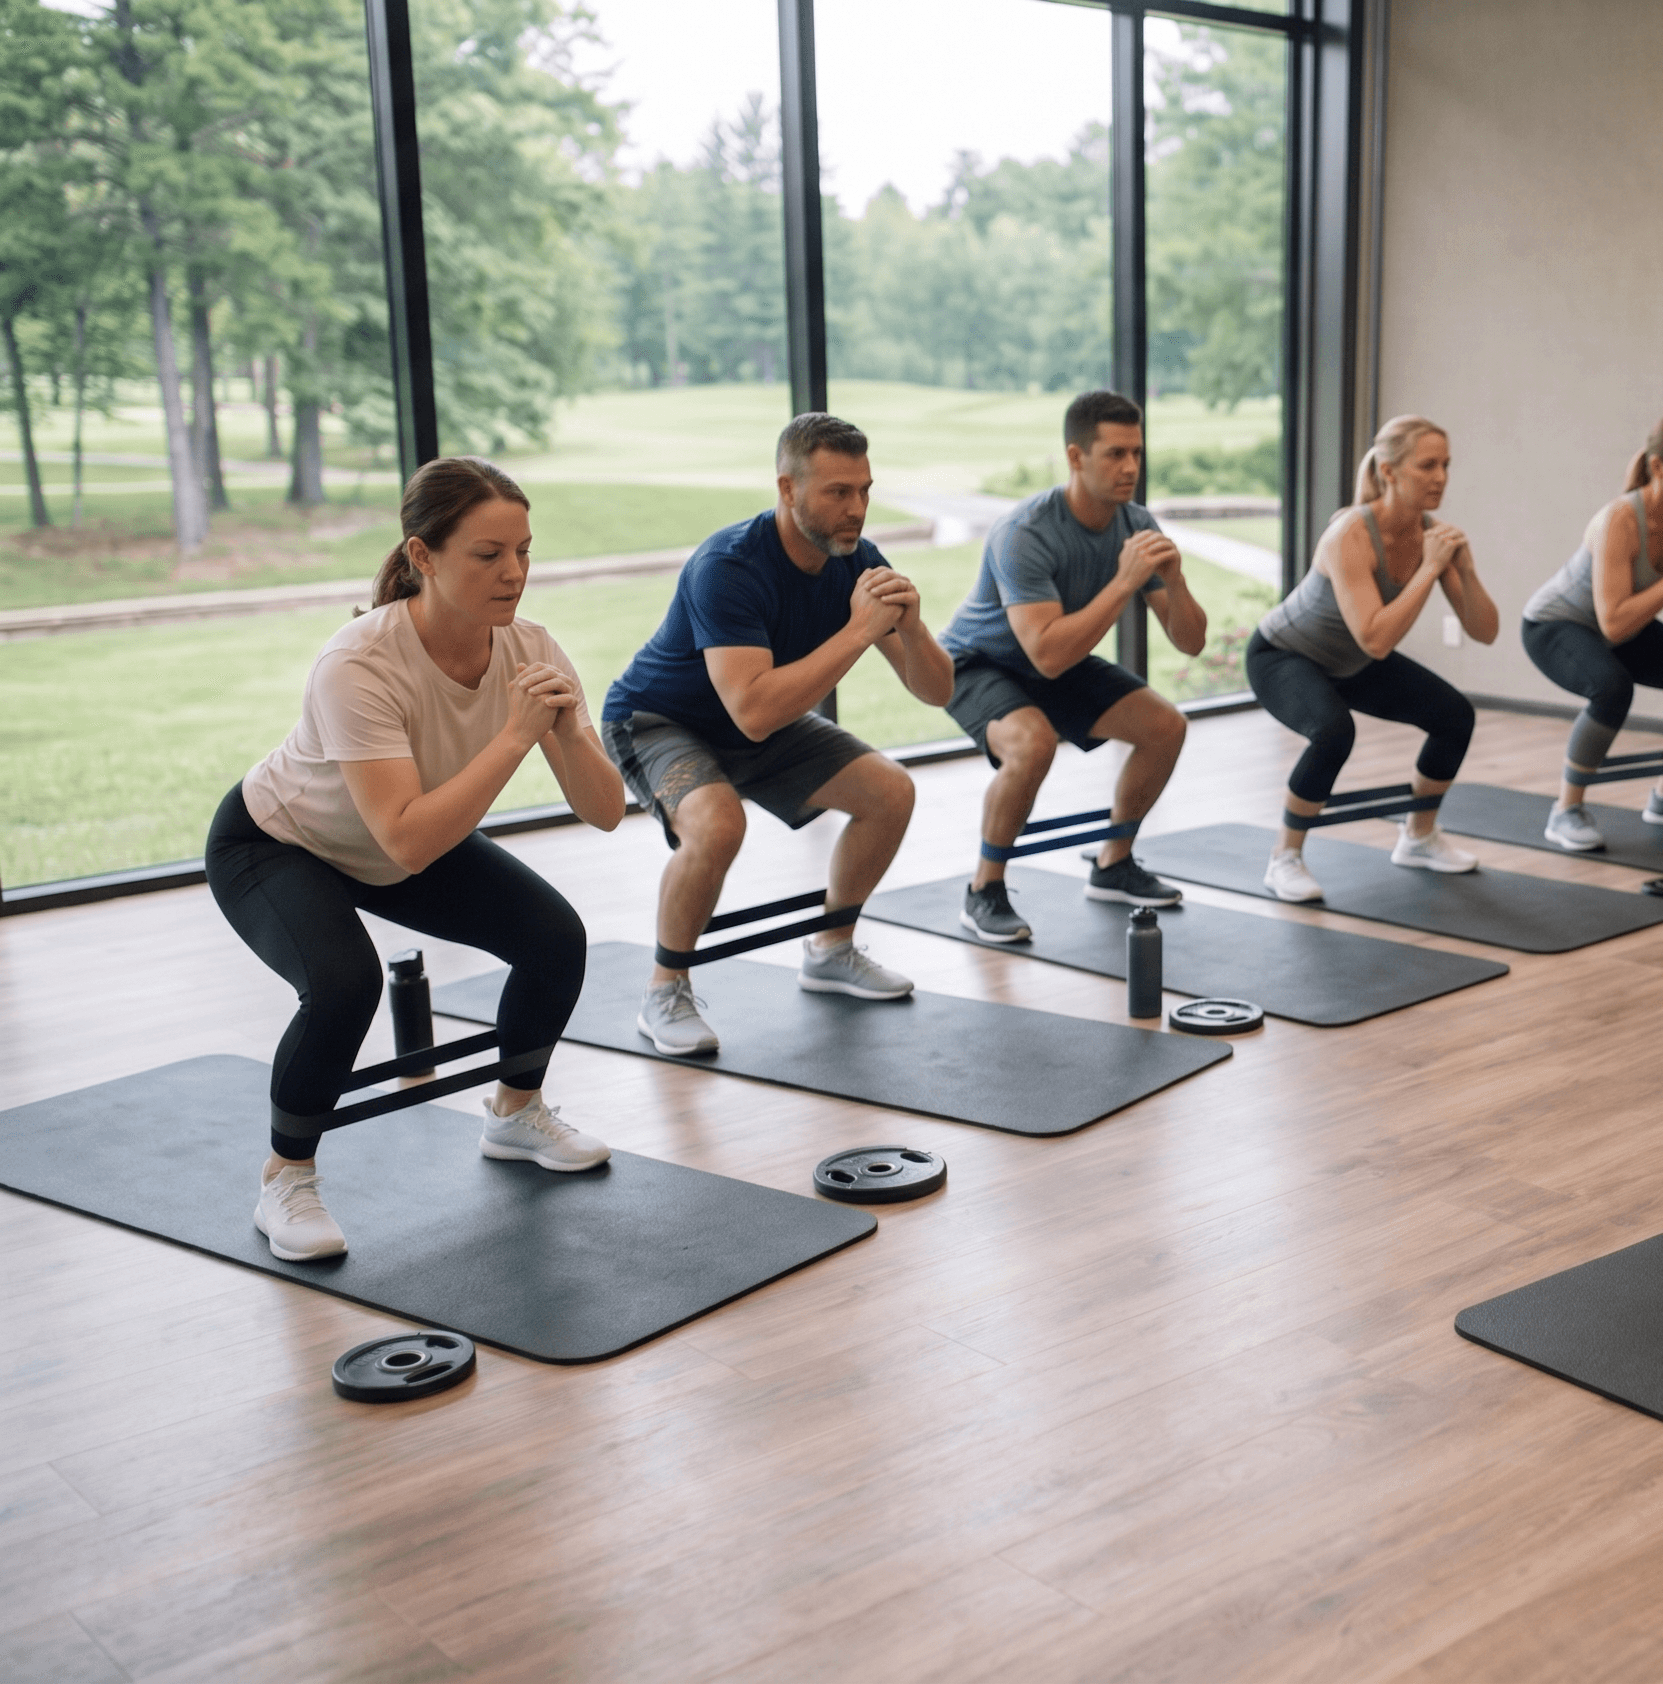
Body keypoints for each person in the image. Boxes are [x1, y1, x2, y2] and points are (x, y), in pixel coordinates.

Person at [206, 456, 624, 1262]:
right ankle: (286, 1176)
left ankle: (514, 1111)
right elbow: (408, 840)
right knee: (342, 985)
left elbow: (604, 812)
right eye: (488, 554)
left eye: (524, 551)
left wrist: (567, 731)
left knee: (554, 938)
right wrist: (513, 735)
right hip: (278, 843)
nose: (514, 573)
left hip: (399, 834)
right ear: (422, 556)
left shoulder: (531, 645)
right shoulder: (359, 663)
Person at [603, 414, 953, 1055]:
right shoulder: (728, 566)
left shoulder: (859, 562)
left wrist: (914, 626)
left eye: (865, 490)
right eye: (837, 493)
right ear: (788, 490)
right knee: (716, 825)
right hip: (659, 721)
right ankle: (664, 990)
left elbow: (936, 692)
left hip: (759, 718)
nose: (857, 510)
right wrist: (859, 631)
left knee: (890, 793)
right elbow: (754, 712)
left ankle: (832, 947)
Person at [938, 390, 1210, 943]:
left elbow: (1191, 643)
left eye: (1136, 452)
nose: (1130, 467)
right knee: (1032, 743)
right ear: (1075, 456)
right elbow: (1046, 652)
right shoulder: (1026, 531)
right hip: (978, 662)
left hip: (1057, 657)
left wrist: (1175, 583)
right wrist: (1124, 582)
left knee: (1165, 727)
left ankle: (1114, 863)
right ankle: (983, 890)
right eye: (1114, 454)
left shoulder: (1136, 523)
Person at [1245, 414, 1497, 901]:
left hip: (1349, 661)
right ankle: (1284, 858)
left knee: (1454, 716)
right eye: (1427, 466)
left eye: (1446, 465)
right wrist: (1430, 569)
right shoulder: (1351, 535)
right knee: (1333, 731)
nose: (1441, 477)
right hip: (1284, 655)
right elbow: (1376, 640)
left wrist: (1464, 569)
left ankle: (1419, 837)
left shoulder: (1433, 538)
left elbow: (1484, 631)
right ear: (1389, 471)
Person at [1521, 413, 1663, 850]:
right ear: (1658, 466)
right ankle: (1565, 810)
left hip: (1621, 625)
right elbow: (1614, 622)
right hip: (1555, 625)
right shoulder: (1619, 520)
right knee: (1611, 687)